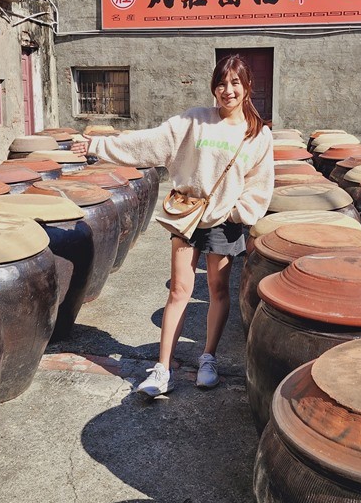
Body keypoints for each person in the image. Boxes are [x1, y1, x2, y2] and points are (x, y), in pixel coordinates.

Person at [71, 54, 274, 396]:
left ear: (247, 87)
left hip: (225, 222)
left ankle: (207, 357)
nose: (228, 91)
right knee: (179, 290)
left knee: (218, 290)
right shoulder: (195, 121)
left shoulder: (257, 135)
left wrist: (237, 212)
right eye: (222, 84)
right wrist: (98, 145)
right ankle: (162, 368)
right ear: (214, 87)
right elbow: (149, 142)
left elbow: (261, 184)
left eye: (235, 83)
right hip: (187, 214)